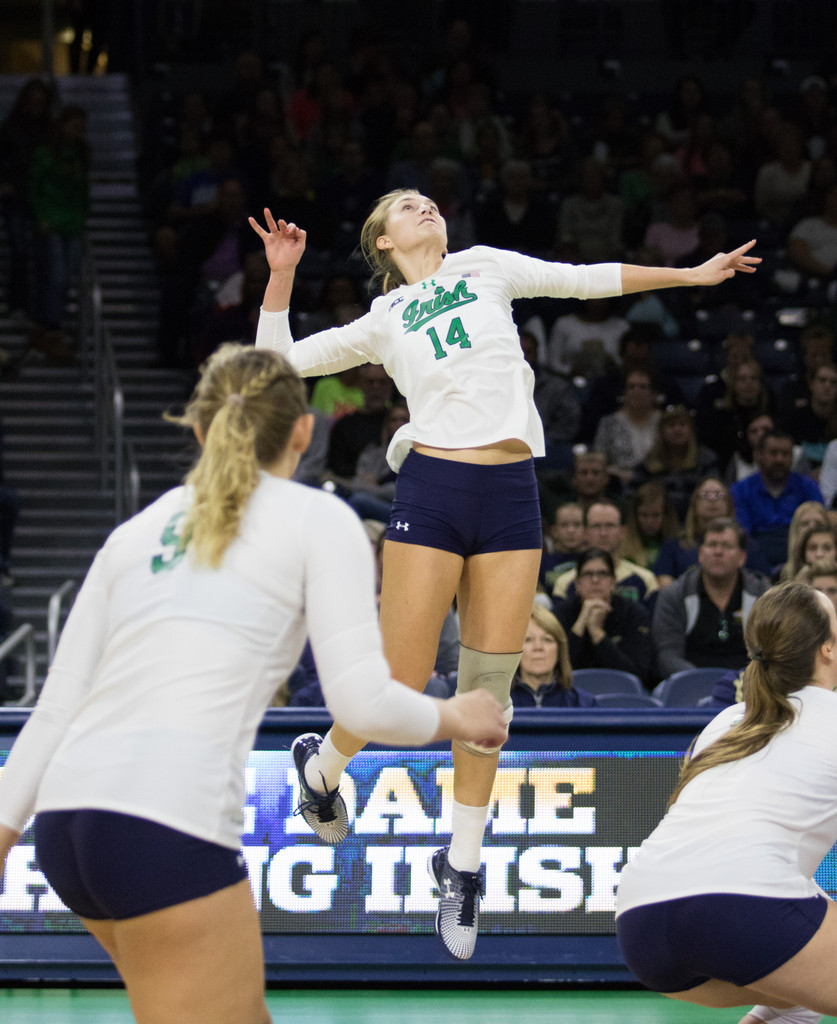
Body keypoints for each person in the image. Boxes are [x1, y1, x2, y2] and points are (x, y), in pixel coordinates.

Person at [250, 187, 760, 960]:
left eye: (429, 201)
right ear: (381, 241)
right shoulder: (383, 318)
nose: (424, 208)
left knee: (488, 695)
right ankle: (322, 768)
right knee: (399, 677)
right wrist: (281, 274)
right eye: (405, 206)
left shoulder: (484, 266)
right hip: (432, 486)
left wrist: (690, 278)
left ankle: (460, 866)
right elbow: (278, 363)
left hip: (511, 491)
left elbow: (585, 279)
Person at [0, 343, 506, 1024]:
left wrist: (4, 832)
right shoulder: (317, 518)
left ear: (202, 427)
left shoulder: (133, 533)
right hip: (165, 823)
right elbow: (360, 702)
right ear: (303, 431)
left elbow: (55, 708)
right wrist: (458, 714)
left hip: (65, 831)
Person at [616, 580, 837, 1024]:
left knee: (795, 999)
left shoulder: (727, 720)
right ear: (828, 648)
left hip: (642, 922)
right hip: (742, 909)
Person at [651, 517, 771, 680]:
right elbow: (668, 655)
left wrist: (741, 682)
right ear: (700, 553)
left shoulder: (763, 596)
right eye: (712, 545)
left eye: (727, 546)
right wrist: (700, 681)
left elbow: (769, 652)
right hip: (690, 687)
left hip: (750, 685)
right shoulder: (675, 594)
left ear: (742, 557)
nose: (718, 552)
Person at [553, 548, 652, 684]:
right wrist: (580, 624)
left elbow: (637, 674)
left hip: (620, 694)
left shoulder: (634, 613)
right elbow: (556, 671)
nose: (595, 580)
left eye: (602, 574)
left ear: (613, 582)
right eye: (588, 574)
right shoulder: (561, 613)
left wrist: (597, 633)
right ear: (577, 583)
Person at [731, 429, 824, 569]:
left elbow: (819, 527)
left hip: (801, 557)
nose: (779, 459)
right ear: (759, 455)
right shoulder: (741, 489)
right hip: (756, 560)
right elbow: (743, 535)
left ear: (792, 457)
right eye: (773, 453)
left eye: (785, 454)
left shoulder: (808, 487)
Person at [552, 499, 659, 606]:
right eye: (596, 526)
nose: (603, 533)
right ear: (585, 532)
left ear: (623, 531)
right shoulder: (565, 583)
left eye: (610, 526)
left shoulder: (646, 579)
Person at [511, 604, 598, 708]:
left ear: (560, 650)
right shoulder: (496, 705)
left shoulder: (584, 704)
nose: (538, 647)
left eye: (547, 640)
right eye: (528, 640)